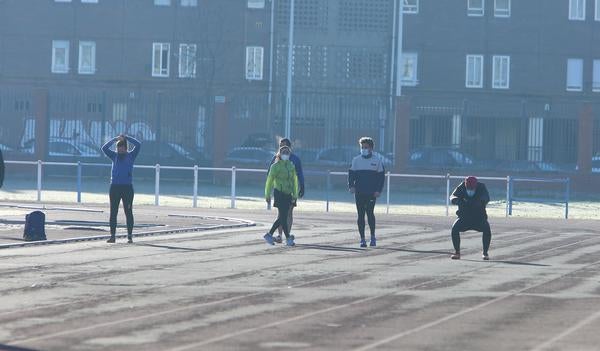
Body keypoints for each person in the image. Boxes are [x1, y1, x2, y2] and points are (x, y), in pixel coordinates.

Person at [102, 134, 141, 244]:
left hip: (127, 188)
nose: (119, 151)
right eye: (118, 149)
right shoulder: (114, 156)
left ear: (125, 148)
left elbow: (138, 145)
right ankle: (112, 236)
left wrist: (127, 138)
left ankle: (129, 236)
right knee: (113, 212)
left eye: (121, 148)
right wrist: (115, 140)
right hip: (114, 187)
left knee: (128, 212)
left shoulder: (131, 156)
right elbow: (104, 148)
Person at [348, 137, 385, 248]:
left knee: (370, 213)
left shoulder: (377, 161)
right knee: (360, 215)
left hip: (371, 193)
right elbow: (351, 175)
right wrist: (351, 186)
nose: (364, 149)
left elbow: (381, 178)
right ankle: (362, 239)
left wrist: (378, 190)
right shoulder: (356, 160)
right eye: (362, 147)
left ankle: (373, 237)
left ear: (371, 148)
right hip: (359, 192)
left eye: (366, 147)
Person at [267, 138, 304, 243]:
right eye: (280, 146)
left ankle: (285, 234)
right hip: (279, 191)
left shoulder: (294, 161)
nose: (282, 148)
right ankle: (280, 235)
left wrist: (301, 187)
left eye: (284, 146)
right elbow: (269, 174)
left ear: (289, 148)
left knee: (289, 213)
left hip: (290, 192)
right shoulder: (275, 159)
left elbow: (298, 175)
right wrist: (268, 192)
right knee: (281, 213)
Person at [449, 176, 492, 260]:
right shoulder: (461, 187)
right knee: (454, 228)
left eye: (472, 187)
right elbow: (452, 196)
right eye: (468, 187)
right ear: (465, 184)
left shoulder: (481, 187)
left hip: (479, 218)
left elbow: (487, 197)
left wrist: (480, 201)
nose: (470, 189)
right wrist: (456, 200)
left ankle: (485, 253)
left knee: (487, 229)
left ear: (476, 185)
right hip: (464, 217)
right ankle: (457, 252)